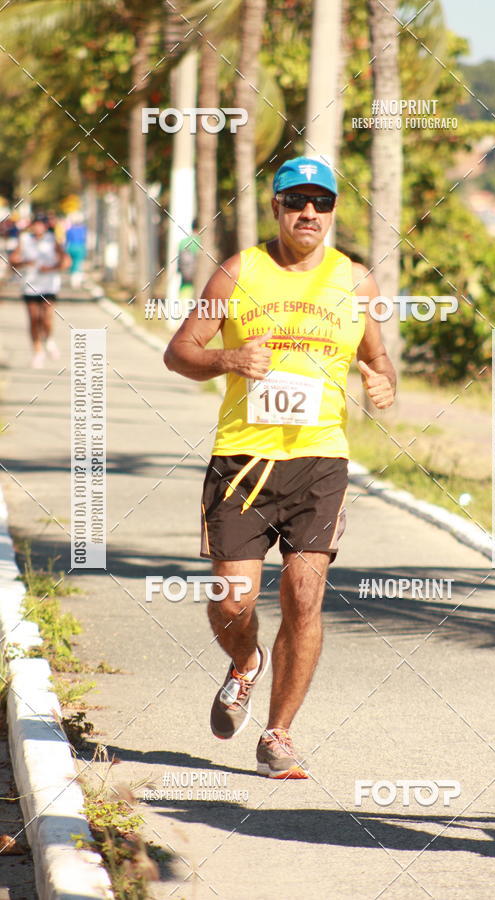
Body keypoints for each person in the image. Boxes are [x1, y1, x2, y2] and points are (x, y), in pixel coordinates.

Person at [164, 156, 395, 778]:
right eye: (296, 201)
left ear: (334, 210)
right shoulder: (239, 272)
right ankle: (245, 662)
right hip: (243, 459)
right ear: (276, 208)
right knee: (232, 601)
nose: (309, 213)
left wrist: (382, 383)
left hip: (321, 461)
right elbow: (179, 352)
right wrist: (229, 359)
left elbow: (377, 358)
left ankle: (279, 734)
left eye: (321, 202)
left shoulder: (356, 282)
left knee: (303, 595)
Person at [9, 213, 67, 367]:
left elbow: (65, 261)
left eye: (41, 225)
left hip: (49, 285)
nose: (37, 227)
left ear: (45, 226)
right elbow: (12, 261)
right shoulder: (24, 239)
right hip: (29, 286)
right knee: (34, 319)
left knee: (46, 318)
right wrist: (23, 262)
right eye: (35, 224)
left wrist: (51, 268)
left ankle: (48, 339)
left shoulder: (52, 239)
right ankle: (38, 351)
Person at [177, 218, 202, 300]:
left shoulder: (183, 242)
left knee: (184, 299)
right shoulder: (202, 242)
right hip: (198, 281)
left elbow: (179, 263)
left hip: (185, 281)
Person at [65, 213, 88, 289]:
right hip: (80, 247)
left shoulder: (70, 230)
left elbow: (67, 240)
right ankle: (76, 281)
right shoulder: (83, 229)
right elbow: (84, 239)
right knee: (78, 264)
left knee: (72, 264)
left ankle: (73, 279)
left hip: (71, 247)